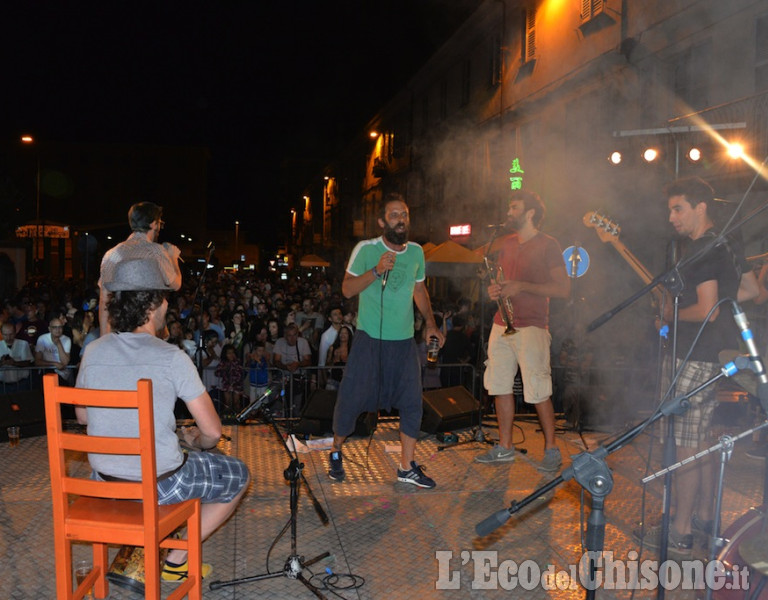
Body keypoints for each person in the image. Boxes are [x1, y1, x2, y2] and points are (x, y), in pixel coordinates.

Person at [75, 258, 250, 581]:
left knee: (183, 462)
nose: (168, 303)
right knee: (236, 473)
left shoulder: (94, 351)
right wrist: (197, 441)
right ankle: (177, 559)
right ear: (152, 305)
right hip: (159, 485)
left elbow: (83, 415)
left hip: (105, 480)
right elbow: (213, 431)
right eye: (164, 297)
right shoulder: (172, 357)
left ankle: (149, 554)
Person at [634, 177, 742, 558]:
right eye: (670, 209)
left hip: (695, 357)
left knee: (685, 447)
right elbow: (745, 292)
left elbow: (708, 310)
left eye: (677, 208)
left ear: (701, 208)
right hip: (708, 355)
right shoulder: (723, 244)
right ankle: (701, 517)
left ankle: (679, 531)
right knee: (699, 443)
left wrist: (670, 314)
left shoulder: (704, 249)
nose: (671, 217)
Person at [328, 193, 444, 489]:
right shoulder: (366, 249)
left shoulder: (416, 252)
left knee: (411, 403)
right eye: (394, 215)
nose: (400, 219)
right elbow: (347, 290)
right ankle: (336, 450)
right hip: (370, 340)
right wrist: (377, 270)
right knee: (352, 401)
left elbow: (419, 290)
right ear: (382, 222)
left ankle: (406, 467)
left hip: (404, 343)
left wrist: (430, 323)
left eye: (404, 214)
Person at [475, 190, 570, 471]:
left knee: (538, 388)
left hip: (532, 325)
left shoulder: (548, 244)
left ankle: (551, 448)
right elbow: (505, 281)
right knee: (499, 385)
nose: (508, 212)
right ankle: (505, 447)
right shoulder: (507, 243)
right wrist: (496, 289)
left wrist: (522, 286)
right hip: (501, 322)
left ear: (530, 213)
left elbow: (563, 289)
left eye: (513, 207)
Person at [98, 202, 182, 334]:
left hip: (120, 331)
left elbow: (104, 299)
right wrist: (173, 258)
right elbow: (176, 284)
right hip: (146, 330)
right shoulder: (156, 252)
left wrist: (104, 339)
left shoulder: (111, 254)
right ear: (154, 224)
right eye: (160, 222)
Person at [35, 317, 73, 384]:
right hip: (46, 373)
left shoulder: (67, 339)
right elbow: (37, 361)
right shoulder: (42, 339)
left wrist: (59, 344)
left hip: (62, 375)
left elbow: (65, 362)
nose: (58, 330)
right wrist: (54, 364)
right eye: (54, 327)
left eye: (60, 327)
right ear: (49, 329)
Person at [0, 322, 34, 390]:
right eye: (5, 335)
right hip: (2, 384)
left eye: (11, 334)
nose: (8, 337)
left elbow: (28, 363)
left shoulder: (23, 344)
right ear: (1, 334)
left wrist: (14, 363)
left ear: (15, 332)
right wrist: (1, 363)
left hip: (21, 383)